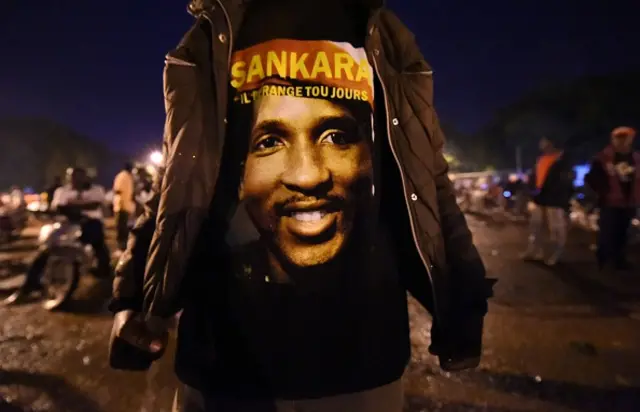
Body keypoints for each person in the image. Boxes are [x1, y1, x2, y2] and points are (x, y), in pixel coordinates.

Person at [108, 1, 494, 411]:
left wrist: (463, 298)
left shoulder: (386, 37)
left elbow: (428, 176)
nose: (308, 176)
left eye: (337, 137)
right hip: (222, 365)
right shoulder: (210, 36)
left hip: (363, 370)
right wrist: (131, 297)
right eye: (269, 142)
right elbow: (177, 179)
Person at [4, 168, 111, 305]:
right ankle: (29, 287)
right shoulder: (61, 191)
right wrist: (79, 208)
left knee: (100, 247)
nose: (76, 179)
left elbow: (95, 205)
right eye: (72, 176)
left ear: (85, 177)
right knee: (45, 251)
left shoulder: (97, 190)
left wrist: (70, 207)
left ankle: (106, 276)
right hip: (66, 224)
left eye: (79, 176)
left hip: (91, 225)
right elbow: (58, 208)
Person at [585, 126, 640, 272]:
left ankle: (619, 260)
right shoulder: (603, 158)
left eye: (626, 138)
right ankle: (603, 260)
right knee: (607, 232)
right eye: (619, 138)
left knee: (623, 232)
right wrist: (602, 190)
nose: (622, 141)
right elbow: (591, 178)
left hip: (629, 201)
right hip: (609, 202)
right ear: (613, 139)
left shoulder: (636, 158)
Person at [521, 137, 574, 266]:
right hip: (540, 198)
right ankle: (535, 250)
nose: (542, 144)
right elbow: (535, 177)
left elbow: (564, 182)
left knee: (556, 228)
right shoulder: (541, 159)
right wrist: (531, 190)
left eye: (545, 141)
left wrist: (563, 198)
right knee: (535, 225)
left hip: (554, 200)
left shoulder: (562, 160)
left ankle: (556, 253)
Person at [113, 162, 136, 252]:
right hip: (121, 206)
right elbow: (117, 190)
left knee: (124, 227)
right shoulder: (122, 176)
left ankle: (124, 247)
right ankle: (120, 247)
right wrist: (121, 203)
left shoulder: (128, 177)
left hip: (126, 206)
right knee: (121, 227)